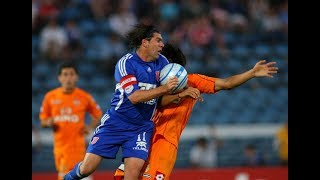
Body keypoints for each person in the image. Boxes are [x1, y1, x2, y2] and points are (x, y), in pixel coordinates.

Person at [114, 43, 278, 180]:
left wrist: (252, 73)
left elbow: (226, 83)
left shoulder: (192, 81)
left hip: (165, 142)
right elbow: (149, 101)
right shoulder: (153, 85)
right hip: (142, 137)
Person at [63, 24, 179, 180]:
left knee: (132, 174)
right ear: (145, 42)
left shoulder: (163, 63)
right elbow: (135, 97)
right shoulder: (126, 64)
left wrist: (183, 93)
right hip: (116, 121)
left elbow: (161, 99)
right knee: (87, 169)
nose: (162, 45)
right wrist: (165, 89)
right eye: (158, 40)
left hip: (141, 127)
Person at [39, 61, 103, 180]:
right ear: (59, 78)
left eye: (71, 74)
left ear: (77, 77)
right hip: (60, 148)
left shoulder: (84, 96)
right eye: (65, 74)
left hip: (77, 147)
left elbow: (98, 114)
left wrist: (89, 127)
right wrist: (48, 122)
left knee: (75, 174)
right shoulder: (50, 97)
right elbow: (42, 121)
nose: (68, 77)